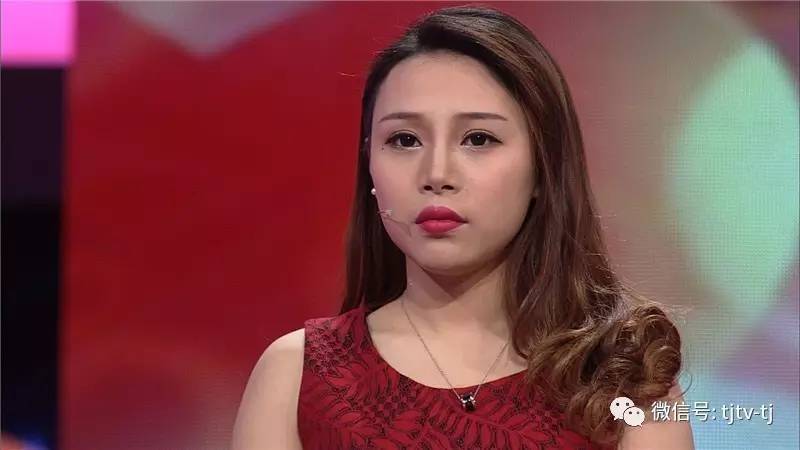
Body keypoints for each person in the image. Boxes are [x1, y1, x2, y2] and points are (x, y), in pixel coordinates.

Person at [232, 5, 694, 450]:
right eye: (404, 140)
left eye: (478, 139)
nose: (436, 174)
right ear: (369, 164)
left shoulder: (621, 377)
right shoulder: (297, 375)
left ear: (543, 167)